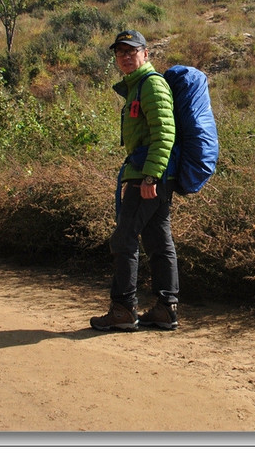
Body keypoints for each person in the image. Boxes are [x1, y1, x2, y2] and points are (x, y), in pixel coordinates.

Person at [90, 29, 180, 331]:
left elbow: (164, 133)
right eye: (120, 52)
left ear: (146, 53)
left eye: (132, 51)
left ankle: (123, 309)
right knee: (157, 240)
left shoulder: (151, 86)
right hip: (151, 175)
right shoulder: (137, 87)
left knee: (124, 238)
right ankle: (165, 309)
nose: (126, 57)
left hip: (150, 177)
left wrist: (151, 175)